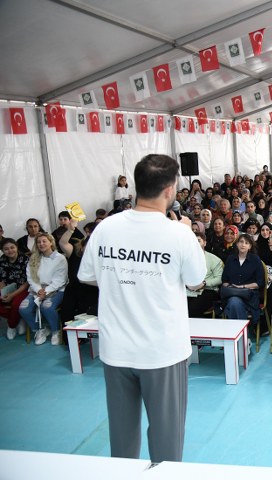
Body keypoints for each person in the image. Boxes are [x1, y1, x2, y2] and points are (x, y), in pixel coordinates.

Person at [77, 154, 206, 464]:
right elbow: (196, 281)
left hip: (116, 348)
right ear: (170, 190)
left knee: (121, 437)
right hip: (162, 351)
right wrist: (188, 232)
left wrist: (124, 279)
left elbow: (87, 275)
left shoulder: (106, 228)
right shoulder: (179, 233)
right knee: (166, 438)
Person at [18, 232, 68, 346]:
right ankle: (40, 330)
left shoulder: (60, 258)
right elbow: (30, 277)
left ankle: (56, 331)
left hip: (56, 289)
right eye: (38, 242)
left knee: (47, 307)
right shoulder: (33, 258)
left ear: (51, 243)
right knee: (23, 308)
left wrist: (46, 291)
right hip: (37, 289)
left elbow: (60, 279)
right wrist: (38, 290)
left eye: (44, 241)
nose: (41, 244)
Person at [221, 234, 266, 327]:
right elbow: (224, 280)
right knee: (234, 301)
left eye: (246, 243)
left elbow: (259, 283)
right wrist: (232, 287)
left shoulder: (255, 260)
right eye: (241, 242)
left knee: (233, 303)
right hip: (232, 293)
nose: (243, 245)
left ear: (250, 246)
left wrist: (242, 287)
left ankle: (238, 331)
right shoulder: (230, 259)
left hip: (249, 295)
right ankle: (243, 332)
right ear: (237, 244)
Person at [186, 232, 223, 318]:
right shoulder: (185, 258)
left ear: (205, 243)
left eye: (198, 241)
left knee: (193, 308)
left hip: (208, 289)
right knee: (179, 307)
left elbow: (220, 278)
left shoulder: (214, 259)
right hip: (188, 289)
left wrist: (204, 283)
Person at [0, 238, 30, 340]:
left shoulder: (25, 259)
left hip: (23, 289)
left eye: (12, 247)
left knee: (16, 304)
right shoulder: (2, 260)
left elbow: (27, 283)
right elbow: (1, 280)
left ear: (16, 247)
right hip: (8, 288)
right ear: (2, 251)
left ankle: (12, 326)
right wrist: (3, 292)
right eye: (6, 249)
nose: (10, 250)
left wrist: (12, 295)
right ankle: (18, 318)